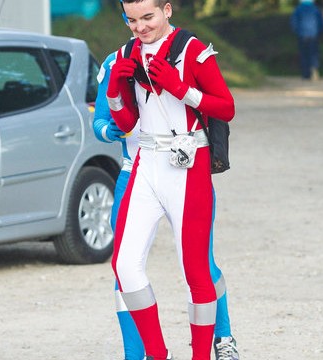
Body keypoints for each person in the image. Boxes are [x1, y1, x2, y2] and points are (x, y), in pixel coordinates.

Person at [93, 13, 239, 360]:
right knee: (124, 266)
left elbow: (227, 107)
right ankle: (156, 354)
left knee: (198, 270)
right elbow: (125, 121)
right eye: (132, 19)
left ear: (167, 10)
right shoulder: (124, 53)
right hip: (144, 162)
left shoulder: (192, 49)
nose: (140, 26)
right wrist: (114, 89)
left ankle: (211, 349)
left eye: (147, 17)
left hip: (188, 161)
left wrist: (180, 88)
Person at [289, 0, 323, 81]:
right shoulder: (316, 9)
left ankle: (305, 74)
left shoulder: (298, 9)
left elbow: (294, 22)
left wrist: (297, 31)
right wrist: (319, 31)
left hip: (302, 34)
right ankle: (314, 68)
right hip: (313, 34)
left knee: (304, 54)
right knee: (314, 53)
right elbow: (321, 22)